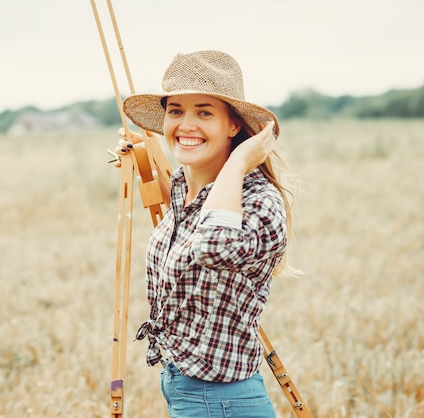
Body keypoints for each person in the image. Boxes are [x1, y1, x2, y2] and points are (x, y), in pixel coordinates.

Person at [115, 50, 294, 418]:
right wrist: (143, 158)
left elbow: (213, 247)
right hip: (188, 392)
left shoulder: (260, 200)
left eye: (204, 112)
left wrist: (240, 161)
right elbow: (188, 232)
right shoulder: (185, 186)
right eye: (176, 111)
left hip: (222, 402)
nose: (186, 124)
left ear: (233, 127)